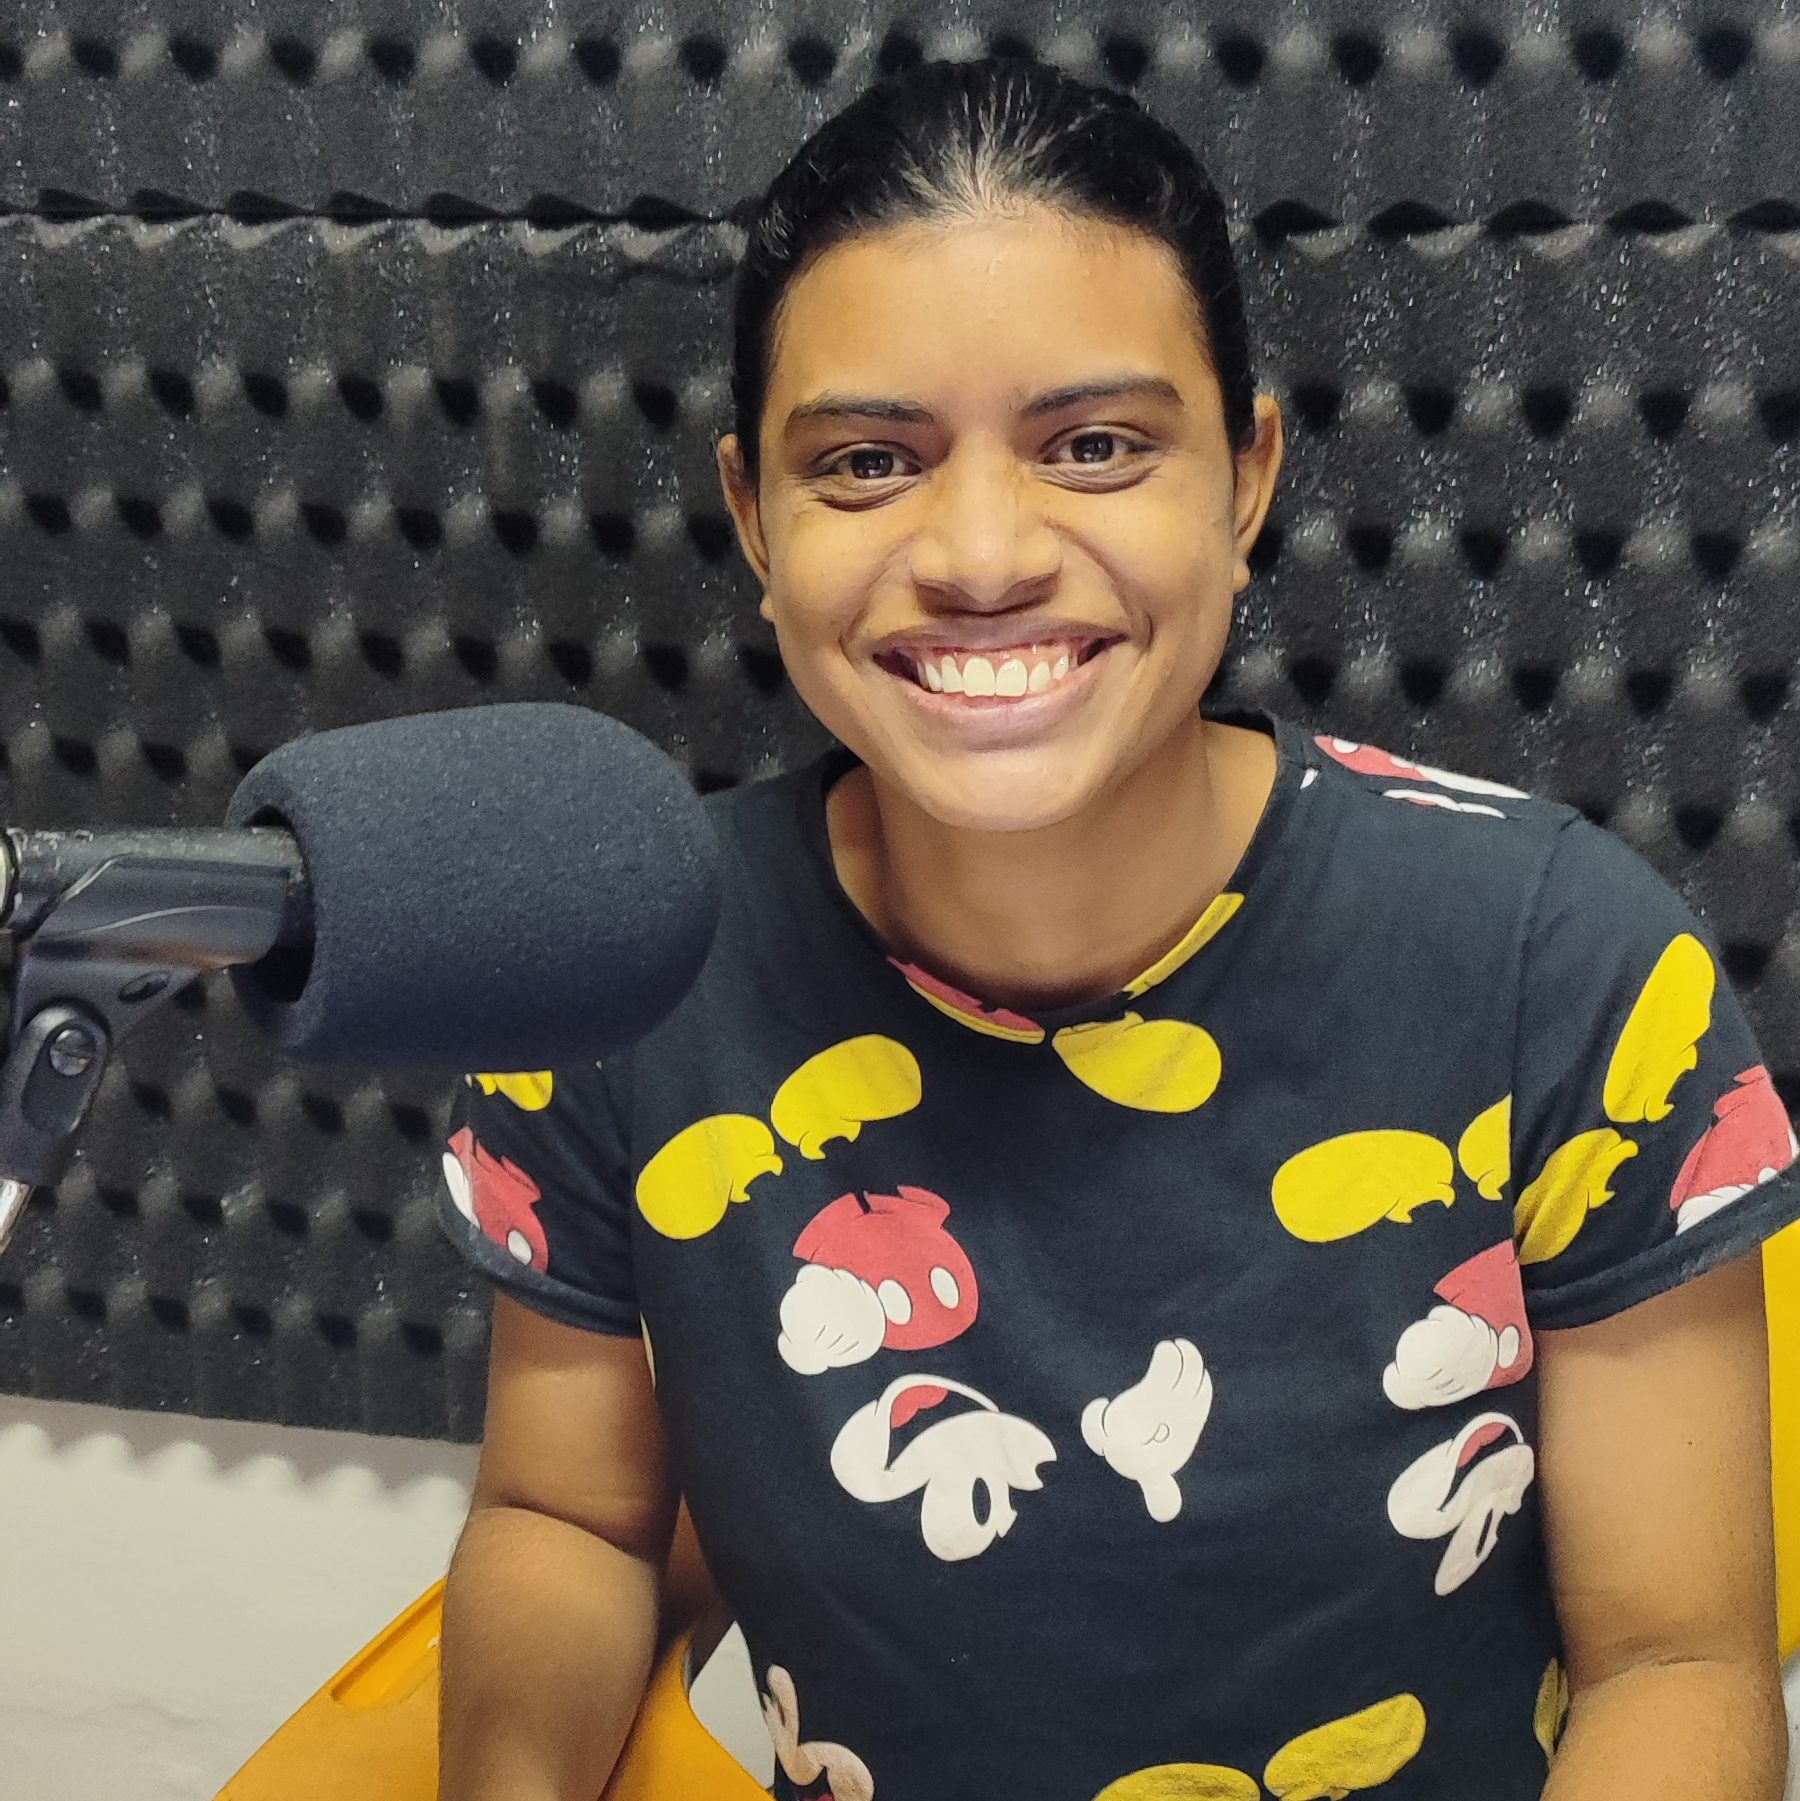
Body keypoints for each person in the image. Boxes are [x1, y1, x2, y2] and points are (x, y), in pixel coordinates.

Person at [432, 53, 1797, 1801]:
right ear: (752, 519)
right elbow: (568, 1516)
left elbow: (1677, 1658)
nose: (983, 550)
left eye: (1093, 444)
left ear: (1242, 479)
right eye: (867, 461)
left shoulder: (1566, 961)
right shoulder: (612, 970)